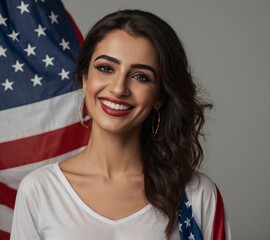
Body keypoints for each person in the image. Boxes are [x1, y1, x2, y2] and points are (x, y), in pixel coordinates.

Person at [10, 9, 231, 240]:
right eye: (106, 69)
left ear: (159, 96)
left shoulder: (197, 194)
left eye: (141, 76)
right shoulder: (39, 191)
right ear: (85, 79)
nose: (118, 88)